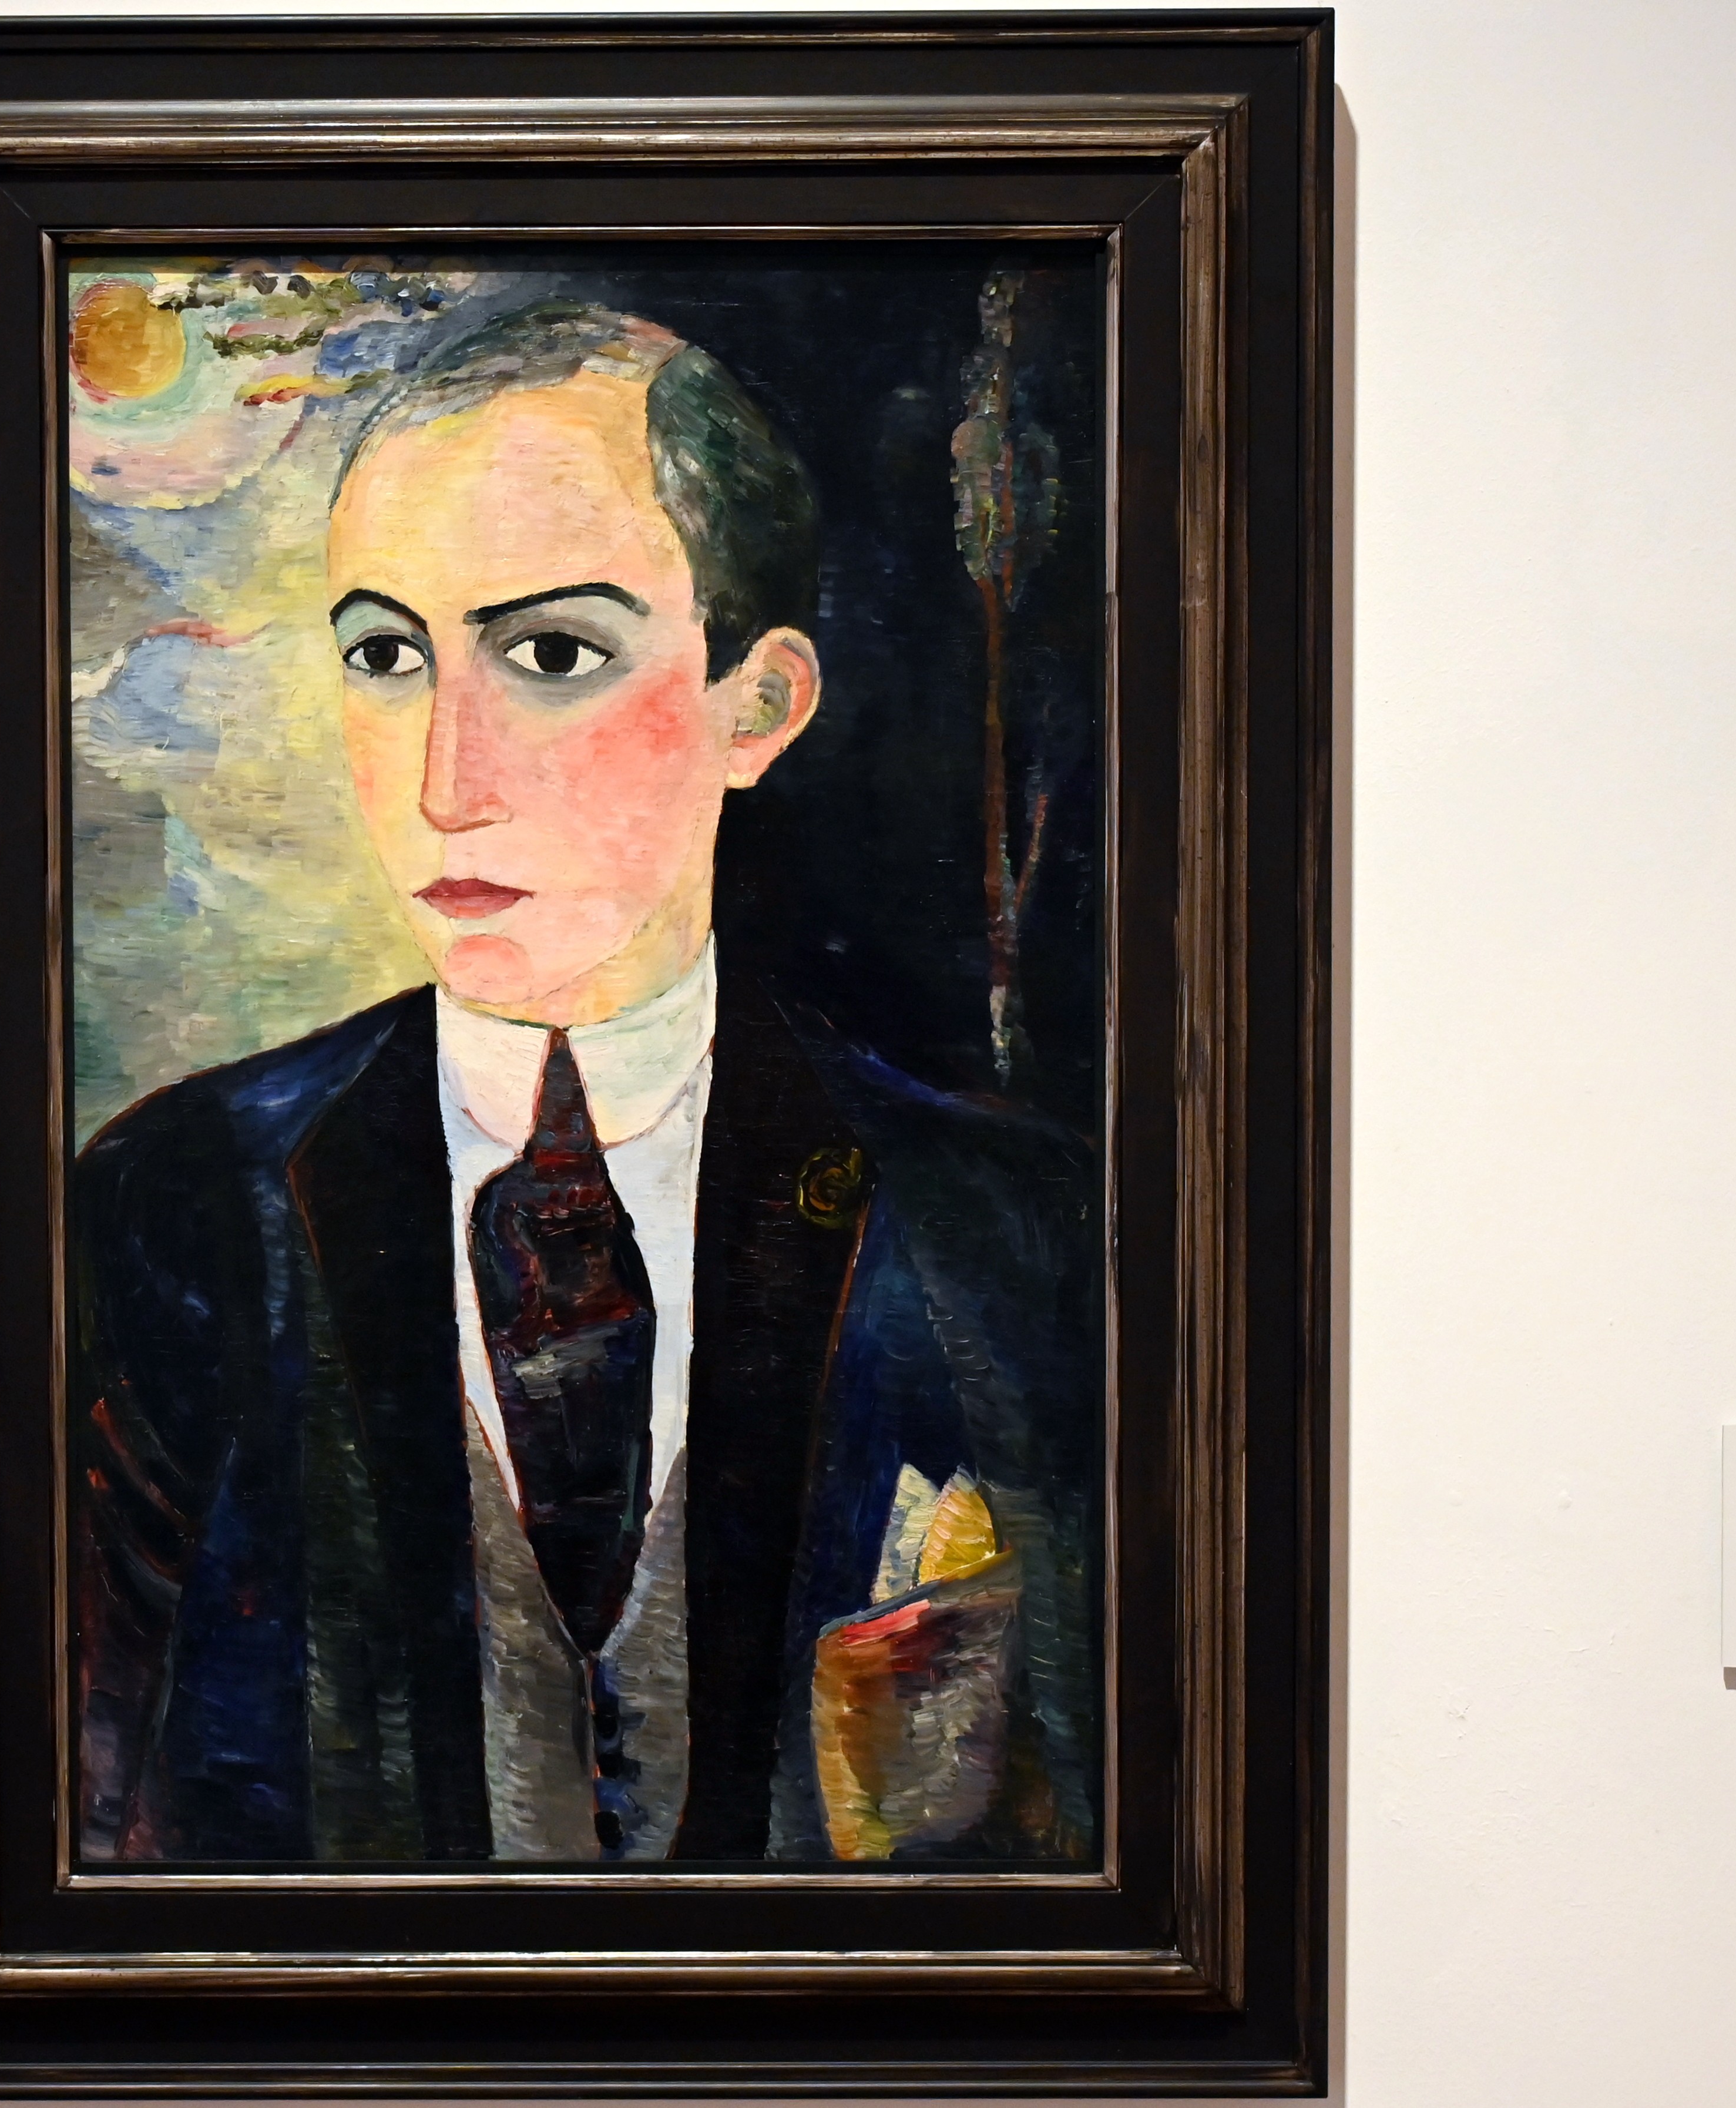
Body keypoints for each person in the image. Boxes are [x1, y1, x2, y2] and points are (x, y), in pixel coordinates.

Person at [67, 302, 1100, 1864]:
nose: (447, 783)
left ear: (757, 707)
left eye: (554, 655)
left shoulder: (1001, 1226)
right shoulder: (175, 1204)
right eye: (387, 656)